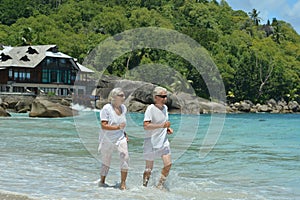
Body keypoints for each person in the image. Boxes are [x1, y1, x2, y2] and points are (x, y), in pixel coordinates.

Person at [142, 86, 173, 189]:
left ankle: (159, 185)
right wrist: (161, 126)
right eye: (162, 96)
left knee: (168, 165)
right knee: (149, 169)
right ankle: (144, 187)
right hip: (150, 142)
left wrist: (167, 128)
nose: (165, 98)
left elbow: (163, 122)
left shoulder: (165, 108)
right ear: (156, 97)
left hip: (163, 141)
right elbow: (146, 126)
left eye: (166, 96)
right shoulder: (150, 109)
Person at [98, 88, 129, 190]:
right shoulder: (106, 108)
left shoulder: (123, 108)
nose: (123, 97)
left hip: (120, 137)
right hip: (107, 138)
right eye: (121, 95)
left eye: (124, 95)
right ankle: (102, 181)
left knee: (125, 156)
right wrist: (117, 127)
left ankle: (123, 184)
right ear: (114, 97)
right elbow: (103, 125)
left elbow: (122, 124)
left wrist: (124, 133)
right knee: (106, 162)